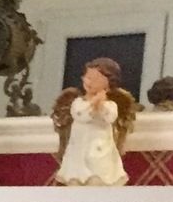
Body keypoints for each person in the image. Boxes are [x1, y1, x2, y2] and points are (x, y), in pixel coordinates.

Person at [54, 57, 133, 187]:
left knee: (97, 179)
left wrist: (100, 104)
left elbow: (110, 117)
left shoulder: (110, 105)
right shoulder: (78, 103)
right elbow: (81, 115)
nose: (89, 82)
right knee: (75, 180)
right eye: (87, 77)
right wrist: (93, 103)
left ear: (108, 84)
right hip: (79, 151)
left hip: (100, 151)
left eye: (96, 80)